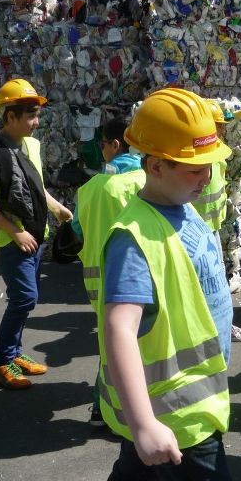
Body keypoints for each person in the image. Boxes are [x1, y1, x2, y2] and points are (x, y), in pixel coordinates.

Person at [87, 88, 238, 481]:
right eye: (195, 167)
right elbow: (120, 329)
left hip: (170, 401)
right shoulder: (135, 238)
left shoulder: (183, 209)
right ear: (156, 166)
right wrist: (145, 422)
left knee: (131, 477)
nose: (207, 176)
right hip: (175, 409)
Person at [0, 78, 72, 389]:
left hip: (35, 235)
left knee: (25, 300)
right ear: (9, 115)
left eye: (37, 113)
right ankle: (1, 361)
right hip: (11, 239)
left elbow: (37, 187)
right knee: (25, 298)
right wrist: (15, 233)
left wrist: (56, 208)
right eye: (29, 115)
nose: (36, 121)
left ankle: (13, 353)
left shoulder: (31, 145)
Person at [73, 117, 146, 427]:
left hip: (98, 280)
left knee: (111, 344)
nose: (100, 148)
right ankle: (126, 412)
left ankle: (103, 409)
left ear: (115, 145)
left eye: (102, 143)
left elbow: (77, 229)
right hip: (142, 277)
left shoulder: (90, 189)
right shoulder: (148, 181)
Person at [191, 99, 241, 348]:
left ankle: (223, 325)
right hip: (196, 229)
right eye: (217, 125)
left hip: (215, 227)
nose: (221, 130)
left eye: (221, 126)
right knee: (202, 284)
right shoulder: (197, 157)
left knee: (216, 281)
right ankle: (208, 329)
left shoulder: (219, 154)